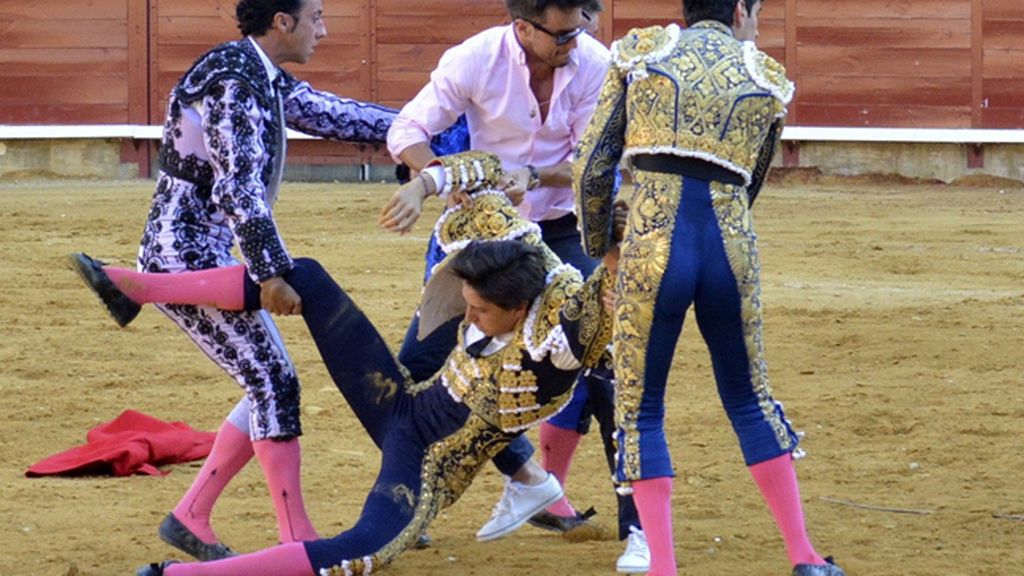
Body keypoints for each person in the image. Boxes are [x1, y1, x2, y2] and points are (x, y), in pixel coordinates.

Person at [73, 153, 620, 576]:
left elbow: (627, 276)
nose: (468, 317)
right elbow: (483, 169)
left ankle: (182, 574)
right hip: (396, 399)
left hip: (424, 466)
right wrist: (422, 184)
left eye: (479, 311)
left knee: (358, 553)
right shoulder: (517, 246)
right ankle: (137, 287)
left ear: (521, 308)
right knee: (302, 276)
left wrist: (625, 235)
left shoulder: (571, 323)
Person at [70, 0, 400, 562]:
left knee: (266, 379)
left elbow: (335, 115)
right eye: (316, 17)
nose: (324, 29)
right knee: (274, 381)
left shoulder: (258, 75)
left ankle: (190, 516)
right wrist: (269, 271)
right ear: (282, 22)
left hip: (209, 249)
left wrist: (425, 128)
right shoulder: (233, 80)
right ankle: (297, 540)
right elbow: (238, 189)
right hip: (186, 252)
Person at [572, 1, 846, 575]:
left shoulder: (642, 54)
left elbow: (593, 165)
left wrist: (605, 249)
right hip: (729, 244)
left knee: (641, 407)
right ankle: (805, 556)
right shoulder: (767, 78)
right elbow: (754, 180)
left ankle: (663, 567)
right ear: (742, 9)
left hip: (651, 241)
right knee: (749, 396)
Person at [380, 1, 647, 569]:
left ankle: (639, 527)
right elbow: (407, 130)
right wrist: (442, 179)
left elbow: (601, 163)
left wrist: (538, 176)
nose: (573, 43)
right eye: (561, 34)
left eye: (579, 30)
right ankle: (430, 498)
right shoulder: (477, 57)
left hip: (567, 228)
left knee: (608, 373)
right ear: (523, 28)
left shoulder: (594, 62)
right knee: (422, 366)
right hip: (489, 234)